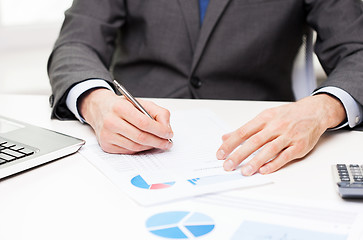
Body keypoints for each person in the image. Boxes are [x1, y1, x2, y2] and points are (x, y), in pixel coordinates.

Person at [48, 0, 363, 176]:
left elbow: (357, 50)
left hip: (257, 155)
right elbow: (76, 43)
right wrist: (96, 102)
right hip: (127, 152)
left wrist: (323, 108)